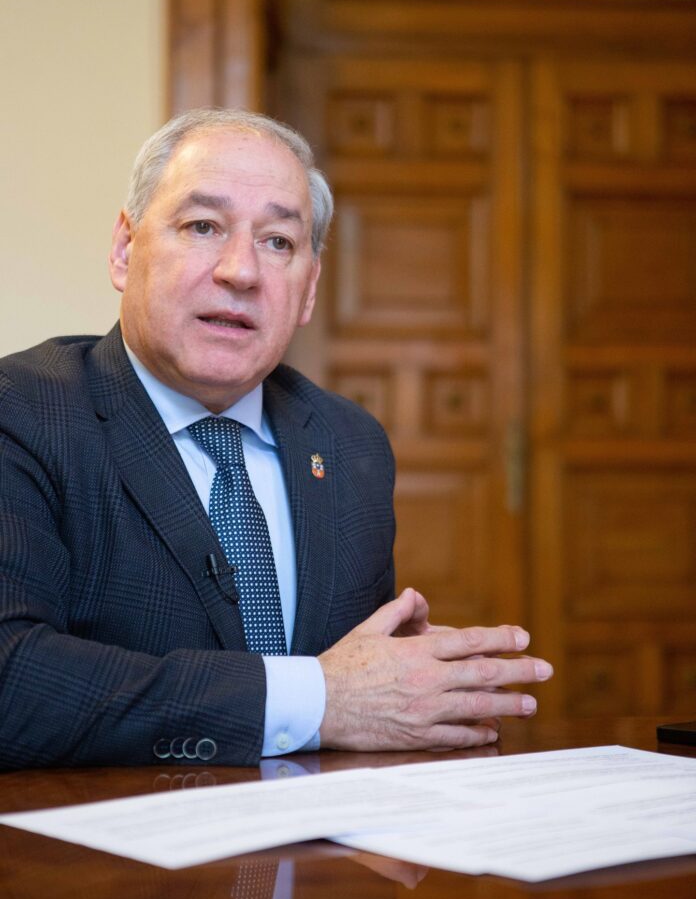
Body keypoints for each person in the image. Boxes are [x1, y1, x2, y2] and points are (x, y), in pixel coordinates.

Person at [0, 108, 553, 769]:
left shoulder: (350, 444)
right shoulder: (24, 414)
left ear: (309, 288)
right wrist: (315, 698)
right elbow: (12, 679)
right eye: (202, 227)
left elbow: (359, 695)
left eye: (278, 242)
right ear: (125, 249)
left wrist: (414, 689)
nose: (241, 271)